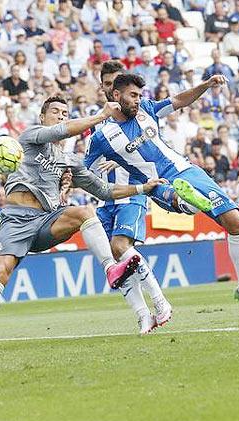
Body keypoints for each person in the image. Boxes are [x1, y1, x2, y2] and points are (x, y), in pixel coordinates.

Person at [0, 96, 166, 353]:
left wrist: (141, 187)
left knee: (84, 212)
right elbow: (60, 131)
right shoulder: (29, 139)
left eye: (65, 113)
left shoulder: (69, 161)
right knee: (1, 270)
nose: (60, 116)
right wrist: (101, 115)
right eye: (55, 111)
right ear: (42, 118)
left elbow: (103, 189)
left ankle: (111, 268)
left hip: (46, 221)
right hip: (15, 219)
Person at [86, 73, 239, 324]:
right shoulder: (101, 137)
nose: (138, 100)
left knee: (237, 224)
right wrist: (65, 182)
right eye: (132, 95)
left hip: (186, 169)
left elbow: (180, 100)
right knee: (175, 196)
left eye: (139, 95)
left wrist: (205, 85)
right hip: (155, 183)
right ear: (116, 96)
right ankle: (187, 202)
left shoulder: (147, 109)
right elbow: (82, 169)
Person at [86, 60, 211, 334]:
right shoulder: (96, 125)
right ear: (104, 88)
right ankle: (143, 315)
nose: (112, 88)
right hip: (107, 198)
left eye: (116, 82)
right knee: (118, 263)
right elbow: (87, 165)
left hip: (134, 190)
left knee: (120, 247)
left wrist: (120, 162)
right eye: (107, 84)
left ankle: (160, 301)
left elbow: (149, 147)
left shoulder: (141, 111)